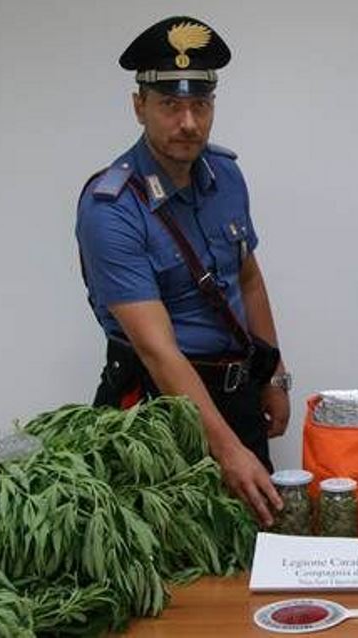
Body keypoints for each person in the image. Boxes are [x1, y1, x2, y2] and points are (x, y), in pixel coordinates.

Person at [75, 17, 293, 525]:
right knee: (174, 556)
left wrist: (274, 375)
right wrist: (227, 450)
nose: (189, 122)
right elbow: (158, 351)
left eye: (201, 104)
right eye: (170, 106)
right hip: (158, 411)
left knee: (253, 543)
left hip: (237, 395)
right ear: (139, 107)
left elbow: (248, 279)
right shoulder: (111, 207)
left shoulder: (226, 175)